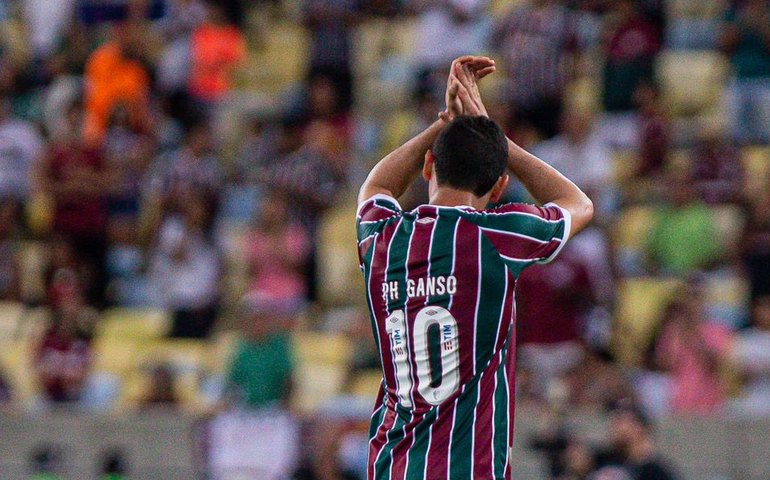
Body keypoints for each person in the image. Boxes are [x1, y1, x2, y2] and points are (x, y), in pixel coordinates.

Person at [356, 56, 592, 478]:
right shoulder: (498, 238)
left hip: (391, 466)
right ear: (499, 184)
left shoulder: (382, 239)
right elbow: (579, 204)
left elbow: (377, 186)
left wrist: (441, 124)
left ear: (429, 164)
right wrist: (499, 142)